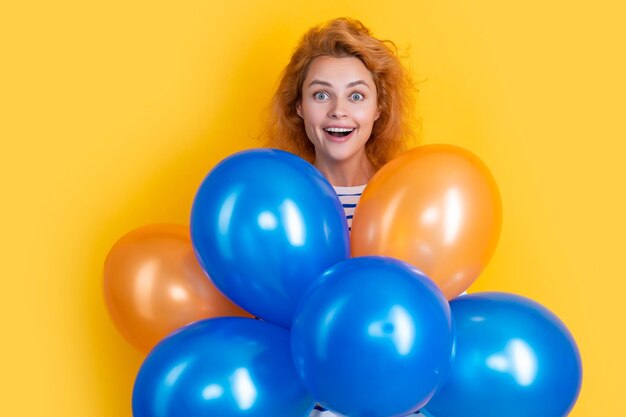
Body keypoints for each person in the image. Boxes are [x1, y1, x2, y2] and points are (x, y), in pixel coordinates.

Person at [265, 18, 423, 416]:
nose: (339, 112)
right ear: (298, 107)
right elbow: (264, 324)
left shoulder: (411, 199)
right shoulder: (278, 209)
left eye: (356, 96)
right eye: (321, 95)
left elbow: (445, 309)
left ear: (378, 107)